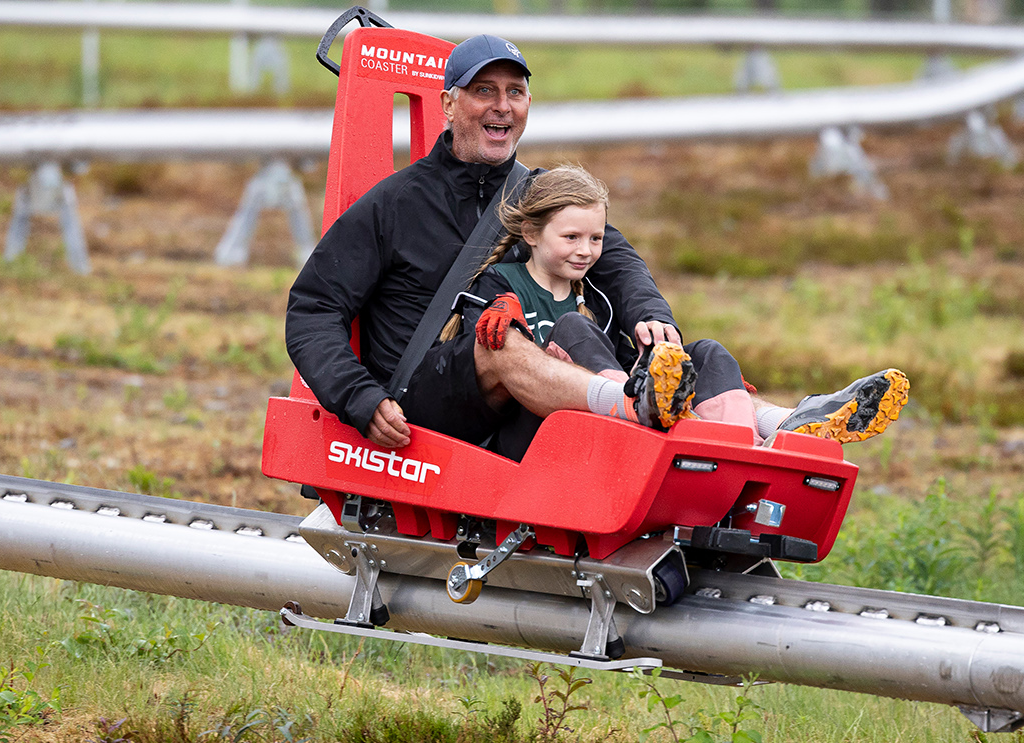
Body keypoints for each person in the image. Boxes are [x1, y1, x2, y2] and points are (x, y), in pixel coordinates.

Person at [283, 32, 906, 462]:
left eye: (515, 92)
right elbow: (311, 310)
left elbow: (618, 258)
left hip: (533, 393)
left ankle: (774, 429)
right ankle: (641, 414)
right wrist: (360, 399)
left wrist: (652, 319)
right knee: (498, 343)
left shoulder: (539, 193)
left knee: (697, 352)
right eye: (484, 92)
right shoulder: (394, 205)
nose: (502, 107)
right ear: (449, 105)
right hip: (428, 396)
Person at [436, 164, 908, 452]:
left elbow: (625, 341)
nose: (586, 251)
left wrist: (654, 349)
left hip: (608, 426)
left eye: (596, 238)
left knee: (708, 353)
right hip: (539, 427)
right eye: (572, 238)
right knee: (573, 328)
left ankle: (781, 430)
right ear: (533, 235)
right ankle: (641, 406)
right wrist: (491, 316)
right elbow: (492, 337)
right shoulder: (507, 282)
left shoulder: (596, 295)